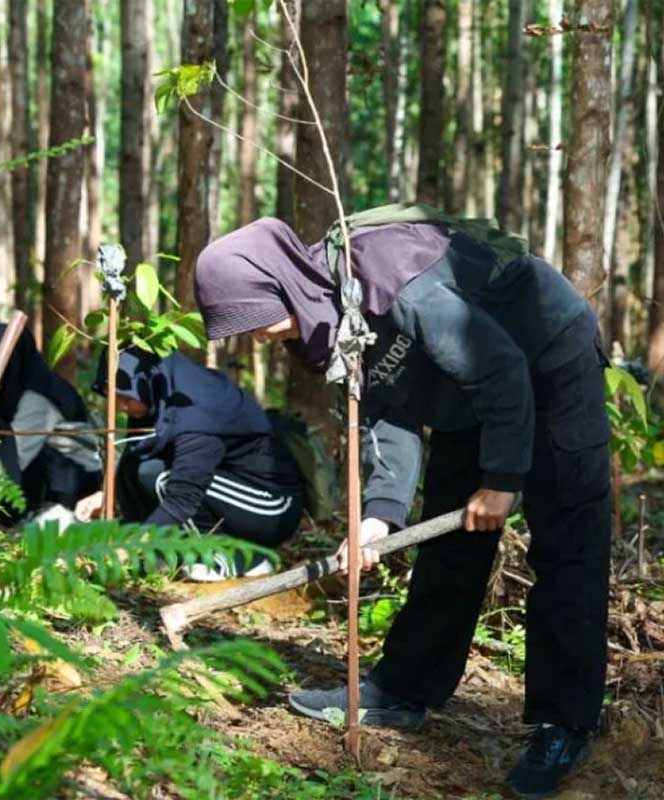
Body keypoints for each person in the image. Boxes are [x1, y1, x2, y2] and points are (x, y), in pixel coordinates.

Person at [194, 215, 612, 797]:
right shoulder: (325, 321)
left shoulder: (393, 281)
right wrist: (379, 516)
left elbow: (500, 368)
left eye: (258, 321)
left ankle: (563, 723)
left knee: (568, 545)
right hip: (466, 390)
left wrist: (502, 477)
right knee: (449, 543)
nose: (259, 337)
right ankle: (404, 689)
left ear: (280, 284)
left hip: (544, 353)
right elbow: (387, 414)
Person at [77, 346, 305, 581]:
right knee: (145, 470)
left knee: (165, 480)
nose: (121, 406)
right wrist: (107, 495)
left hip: (270, 505)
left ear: (147, 381)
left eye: (126, 397)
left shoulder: (197, 411)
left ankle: (240, 558)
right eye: (112, 395)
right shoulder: (160, 392)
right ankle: (169, 552)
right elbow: (134, 459)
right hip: (224, 487)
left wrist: (131, 547)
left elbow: (184, 497)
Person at [0, 322, 103, 518]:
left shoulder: (38, 398)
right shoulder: (4, 394)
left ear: (10, 366)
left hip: (70, 496)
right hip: (33, 490)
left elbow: (5, 469)